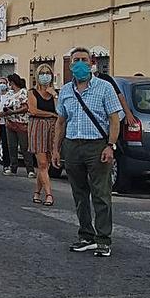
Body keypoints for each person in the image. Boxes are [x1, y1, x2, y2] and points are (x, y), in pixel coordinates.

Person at [52, 48, 122, 257]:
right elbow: (61, 121)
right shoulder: (65, 91)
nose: (80, 64)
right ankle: (86, 235)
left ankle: (103, 239)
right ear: (71, 65)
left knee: (101, 193)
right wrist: (56, 149)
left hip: (97, 145)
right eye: (76, 61)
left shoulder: (104, 88)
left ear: (91, 62)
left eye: (84, 60)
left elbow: (114, 119)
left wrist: (110, 145)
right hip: (73, 146)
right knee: (79, 194)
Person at [28, 64, 58, 206]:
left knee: (46, 162)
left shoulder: (54, 94)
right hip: (38, 126)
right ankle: (49, 194)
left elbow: (59, 111)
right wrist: (50, 114)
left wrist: (55, 95)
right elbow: (33, 110)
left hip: (52, 128)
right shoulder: (32, 92)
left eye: (48, 73)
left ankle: (36, 193)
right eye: (42, 73)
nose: (45, 76)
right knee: (43, 163)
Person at [2, 73, 31, 177]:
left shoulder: (23, 92)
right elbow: (6, 105)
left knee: (24, 147)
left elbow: (26, 107)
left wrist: (13, 112)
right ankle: (13, 167)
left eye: (9, 82)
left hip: (21, 123)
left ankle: (30, 169)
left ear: (12, 82)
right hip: (10, 123)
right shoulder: (9, 93)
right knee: (12, 147)